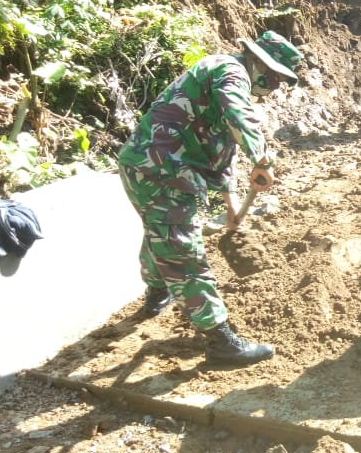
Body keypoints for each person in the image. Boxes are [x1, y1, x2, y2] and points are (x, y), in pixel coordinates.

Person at [118, 32, 302, 365]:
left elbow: (223, 150)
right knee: (182, 251)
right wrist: (261, 158)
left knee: (161, 232)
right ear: (258, 62)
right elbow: (239, 116)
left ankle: (157, 291)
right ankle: (221, 342)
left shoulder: (218, 79)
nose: (273, 87)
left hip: (154, 168)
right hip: (159, 170)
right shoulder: (230, 71)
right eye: (274, 78)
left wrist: (232, 206)